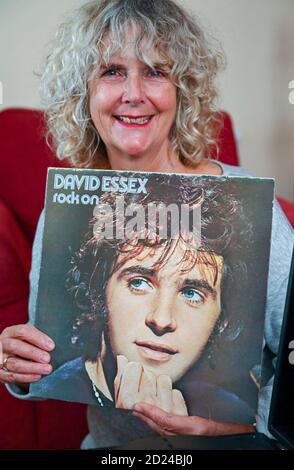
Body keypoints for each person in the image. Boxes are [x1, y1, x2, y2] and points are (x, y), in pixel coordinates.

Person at [0, 0, 293, 448]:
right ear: (85, 93)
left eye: (156, 71)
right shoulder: (68, 211)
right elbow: (49, 356)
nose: (133, 93)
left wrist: (241, 428)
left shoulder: (250, 204)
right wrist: (17, 368)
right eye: (112, 71)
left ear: (182, 90)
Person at [26, 176, 256, 429]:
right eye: (139, 283)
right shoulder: (57, 386)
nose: (162, 319)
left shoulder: (235, 412)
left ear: (220, 320)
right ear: (98, 291)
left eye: (191, 293)